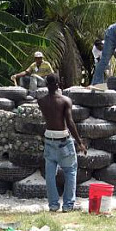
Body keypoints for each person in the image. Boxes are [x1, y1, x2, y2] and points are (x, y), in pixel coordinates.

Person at [38, 74, 87, 212]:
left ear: (46, 85)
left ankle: (53, 205)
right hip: (64, 141)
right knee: (70, 171)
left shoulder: (41, 101)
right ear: (58, 85)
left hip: (49, 140)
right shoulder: (65, 100)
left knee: (50, 175)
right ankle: (68, 205)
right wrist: (80, 142)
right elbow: (70, 123)